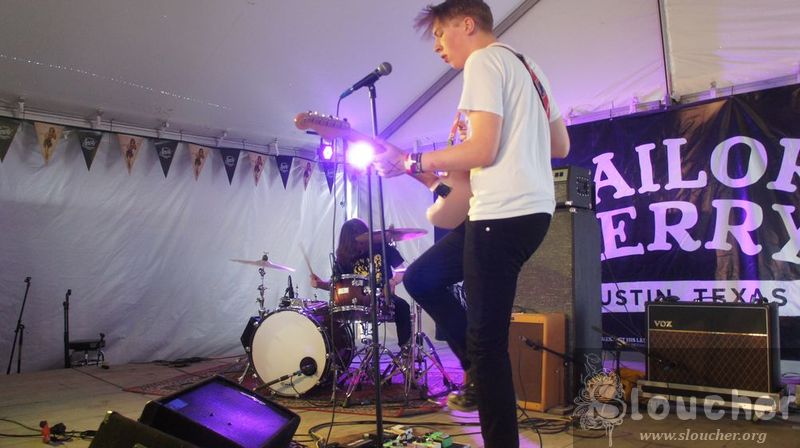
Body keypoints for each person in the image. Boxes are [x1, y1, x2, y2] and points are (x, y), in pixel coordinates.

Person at [373, 1, 570, 446]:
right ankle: (478, 374)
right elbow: (560, 143)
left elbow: (482, 150)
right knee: (422, 277)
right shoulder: (528, 66)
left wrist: (413, 160)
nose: (437, 48)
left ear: (467, 24)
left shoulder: (482, 61)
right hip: (530, 213)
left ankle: (491, 410)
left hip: (501, 213)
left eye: (440, 35)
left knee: (487, 343)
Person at [310, 218, 412, 351]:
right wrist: (320, 284)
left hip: (383, 297)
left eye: (362, 240)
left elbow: (401, 271)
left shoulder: (383, 247)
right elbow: (337, 284)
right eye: (355, 242)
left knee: (402, 306)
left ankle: (406, 350)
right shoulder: (344, 257)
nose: (360, 245)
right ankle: (339, 353)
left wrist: (392, 282)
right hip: (356, 300)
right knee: (329, 314)